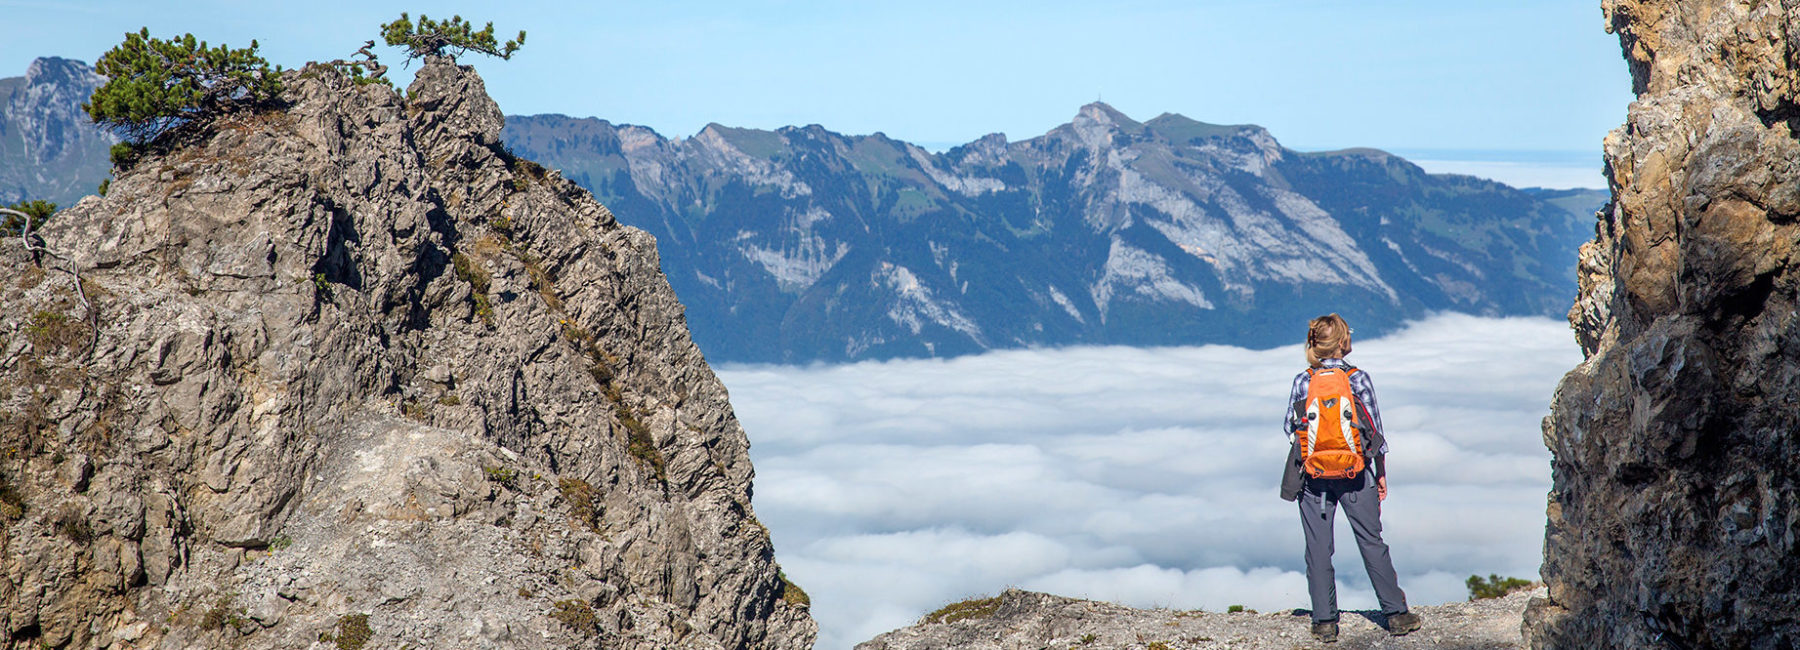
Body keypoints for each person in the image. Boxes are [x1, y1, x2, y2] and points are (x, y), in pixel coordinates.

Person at [1281, 313, 1421, 643]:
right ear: (1344, 343)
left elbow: (1291, 429)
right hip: (1357, 475)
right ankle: (1396, 615)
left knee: (1317, 549)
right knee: (1372, 542)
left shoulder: (1303, 381)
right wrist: (1381, 473)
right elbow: (1375, 433)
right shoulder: (1359, 379)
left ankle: (1324, 622)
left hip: (1314, 479)